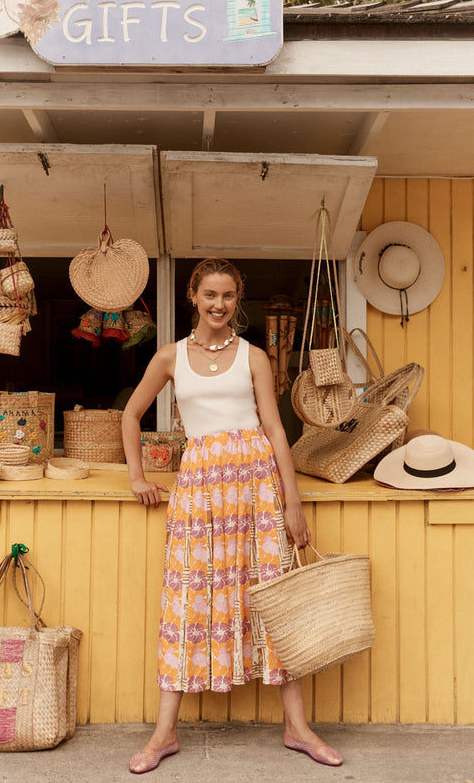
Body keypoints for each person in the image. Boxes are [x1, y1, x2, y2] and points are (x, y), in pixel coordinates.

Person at [121, 257, 343, 774]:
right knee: (188, 601)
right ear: (193, 297)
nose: (218, 305)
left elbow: (275, 428)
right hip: (199, 494)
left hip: (257, 489)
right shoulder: (171, 357)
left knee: (274, 602)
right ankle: (164, 734)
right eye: (209, 295)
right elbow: (132, 414)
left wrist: (292, 502)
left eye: (227, 296)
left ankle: (298, 728)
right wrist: (136, 477)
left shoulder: (255, 356)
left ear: (237, 300)